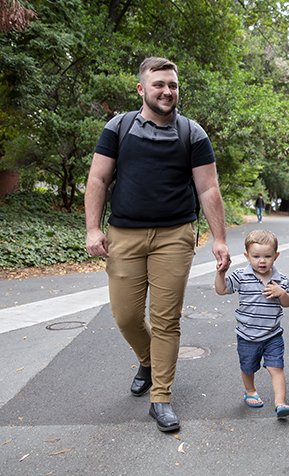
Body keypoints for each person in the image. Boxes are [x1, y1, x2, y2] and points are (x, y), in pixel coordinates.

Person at [85, 57, 231, 432]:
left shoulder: (192, 133)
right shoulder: (118, 128)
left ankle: (161, 397)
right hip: (124, 235)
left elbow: (209, 188)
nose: (168, 91)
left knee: (166, 320)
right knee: (127, 316)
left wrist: (219, 238)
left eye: (173, 85)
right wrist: (92, 228)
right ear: (141, 90)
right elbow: (98, 179)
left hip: (174, 236)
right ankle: (148, 362)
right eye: (159, 85)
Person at [214, 229, 289, 418]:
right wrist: (221, 273)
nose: (262, 261)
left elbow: (288, 302)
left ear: (276, 255)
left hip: (273, 334)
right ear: (247, 256)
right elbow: (222, 290)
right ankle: (250, 391)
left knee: (277, 367)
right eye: (256, 256)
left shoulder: (280, 280)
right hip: (247, 335)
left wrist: (281, 293)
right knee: (248, 366)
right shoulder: (241, 275)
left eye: (267, 256)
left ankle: (280, 402)